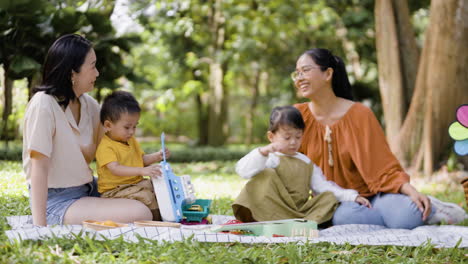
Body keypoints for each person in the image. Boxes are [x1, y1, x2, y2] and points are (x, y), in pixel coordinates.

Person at [292, 48, 467, 229]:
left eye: (305, 70)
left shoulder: (359, 114)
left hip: (376, 195)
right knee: (345, 218)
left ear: (328, 73)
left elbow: (383, 166)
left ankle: (429, 208)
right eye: (297, 73)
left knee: (408, 218)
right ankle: (389, 218)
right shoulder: (297, 116)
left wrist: (409, 190)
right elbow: (285, 163)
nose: (299, 78)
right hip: (338, 203)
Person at [22, 34, 152, 226]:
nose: (97, 73)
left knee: (150, 196)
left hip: (89, 188)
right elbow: (38, 168)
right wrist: (40, 227)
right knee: (140, 212)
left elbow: (113, 148)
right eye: (92, 66)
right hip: (56, 201)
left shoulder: (89, 105)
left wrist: (151, 163)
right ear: (72, 73)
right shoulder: (43, 104)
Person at [232, 106, 371, 224]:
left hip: (298, 212)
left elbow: (323, 186)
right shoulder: (270, 158)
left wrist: (352, 196)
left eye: (298, 137)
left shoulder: (306, 162)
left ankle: (300, 223)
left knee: (328, 196)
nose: (293, 142)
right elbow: (243, 171)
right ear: (271, 137)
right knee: (266, 174)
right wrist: (262, 152)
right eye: (287, 137)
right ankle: (266, 221)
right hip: (272, 209)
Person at [96, 90, 170, 221]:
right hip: (114, 191)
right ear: (108, 125)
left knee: (158, 186)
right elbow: (115, 168)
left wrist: (157, 156)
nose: (132, 132)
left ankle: (170, 214)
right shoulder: (106, 146)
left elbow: (140, 160)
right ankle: (158, 223)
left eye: (135, 127)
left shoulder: (130, 141)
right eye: (127, 127)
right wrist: (142, 171)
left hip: (135, 184)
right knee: (147, 197)